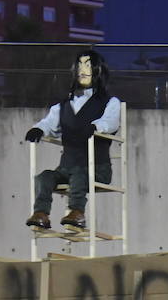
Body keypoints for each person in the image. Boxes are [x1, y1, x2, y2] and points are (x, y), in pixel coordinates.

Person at [24, 49, 120, 231]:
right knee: (44, 177)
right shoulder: (63, 106)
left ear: (97, 70)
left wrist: (96, 126)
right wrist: (38, 128)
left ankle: (77, 212)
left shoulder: (109, 102)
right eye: (80, 66)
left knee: (79, 175)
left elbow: (110, 121)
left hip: (95, 168)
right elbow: (49, 123)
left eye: (88, 65)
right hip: (66, 167)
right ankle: (41, 213)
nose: (83, 70)